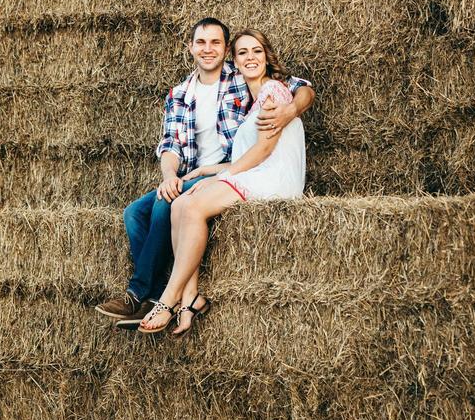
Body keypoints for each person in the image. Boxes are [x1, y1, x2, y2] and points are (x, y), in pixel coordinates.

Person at [95, 19, 314, 327]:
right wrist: (170, 175)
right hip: (202, 171)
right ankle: (162, 291)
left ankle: (139, 295)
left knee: (165, 206)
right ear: (190, 48)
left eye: (215, 43)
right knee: (134, 213)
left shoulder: (240, 78)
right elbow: (170, 145)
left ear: (226, 51)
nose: (207, 49)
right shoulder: (180, 94)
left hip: (240, 169)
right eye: (201, 43)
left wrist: (292, 109)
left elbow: (300, 88)